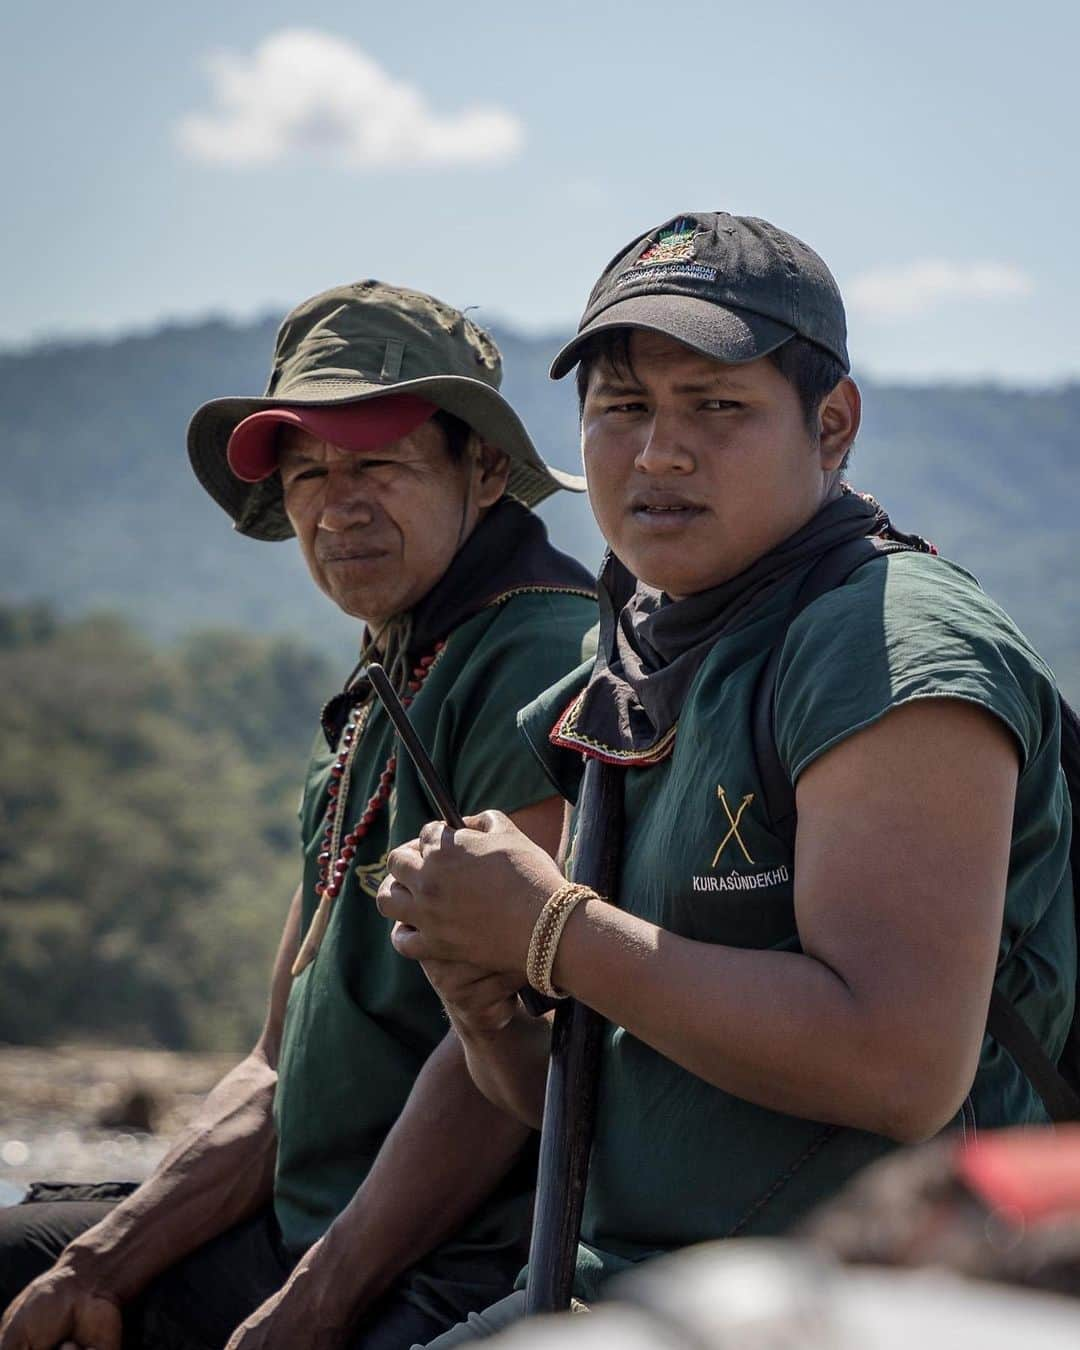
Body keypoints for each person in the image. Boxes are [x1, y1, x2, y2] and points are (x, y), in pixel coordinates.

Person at [375, 213, 1075, 1343]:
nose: (658, 453)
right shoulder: (637, 649)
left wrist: (552, 929)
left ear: (832, 425)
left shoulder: (888, 644)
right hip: (622, 1286)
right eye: (623, 408)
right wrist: (484, 985)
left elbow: (898, 1065)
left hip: (878, 1303)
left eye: (717, 407)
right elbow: (570, 1098)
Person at [0, 282, 598, 1349]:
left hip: (449, 1262)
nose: (339, 504)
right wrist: (100, 1260)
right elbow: (278, 1058)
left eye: (379, 463)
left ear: (487, 470)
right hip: (306, 1226)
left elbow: (500, 1052)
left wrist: (314, 1303)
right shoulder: (388, 679)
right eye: (310, 473)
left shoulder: (536, 658)